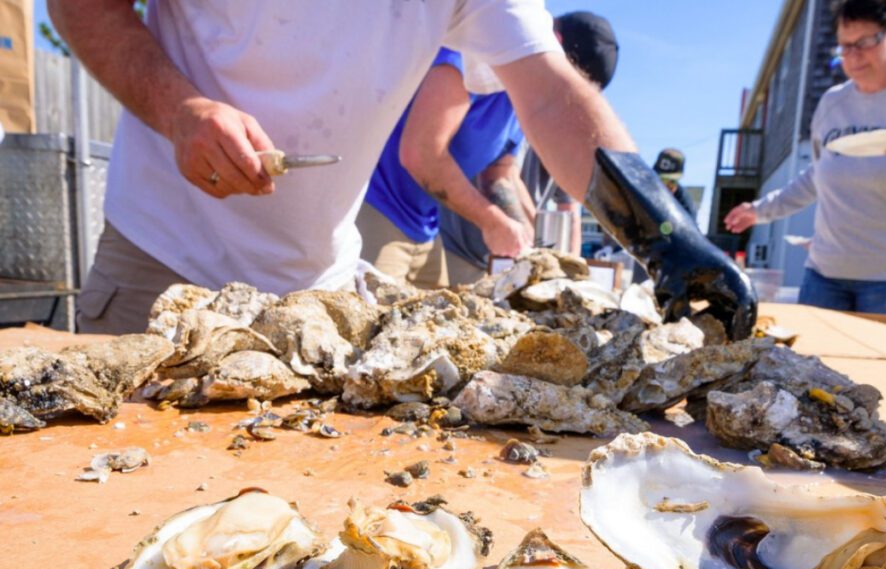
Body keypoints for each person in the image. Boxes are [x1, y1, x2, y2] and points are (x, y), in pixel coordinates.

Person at [53, 0, 755, 339]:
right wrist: (180, 110)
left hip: (319, 297)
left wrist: (667, 235)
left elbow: (550, 94)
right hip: (162, 265)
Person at [724, 0, 886, 332]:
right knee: (810, 362)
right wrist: (760, 211)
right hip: (825, 271)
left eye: (865, 42)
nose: (854, 56)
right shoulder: (832, 102)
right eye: (845, 46)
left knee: (880, 366)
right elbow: (818, 175)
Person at [441, 10, 619, 285]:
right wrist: (514, 233)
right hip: (455, 247)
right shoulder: (488, 75)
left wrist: (559, 262)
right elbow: (489, 175)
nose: (568, 102)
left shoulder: (561, 124)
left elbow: (563, 208)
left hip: (508, 255)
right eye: (569, 86)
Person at [358, 46, 534, 289]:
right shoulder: (469, 60)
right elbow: (420, 155)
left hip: (427, 226)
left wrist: (526, 235)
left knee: (438, 313)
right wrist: (492, 223)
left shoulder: (518, 103)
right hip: (377, 205)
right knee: (369, 310)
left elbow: (498, 176)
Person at [654, 147, 698, 222]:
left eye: (671, 182)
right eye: (661, 181)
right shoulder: (641, 190)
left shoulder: (685, 206)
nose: (665, 186)